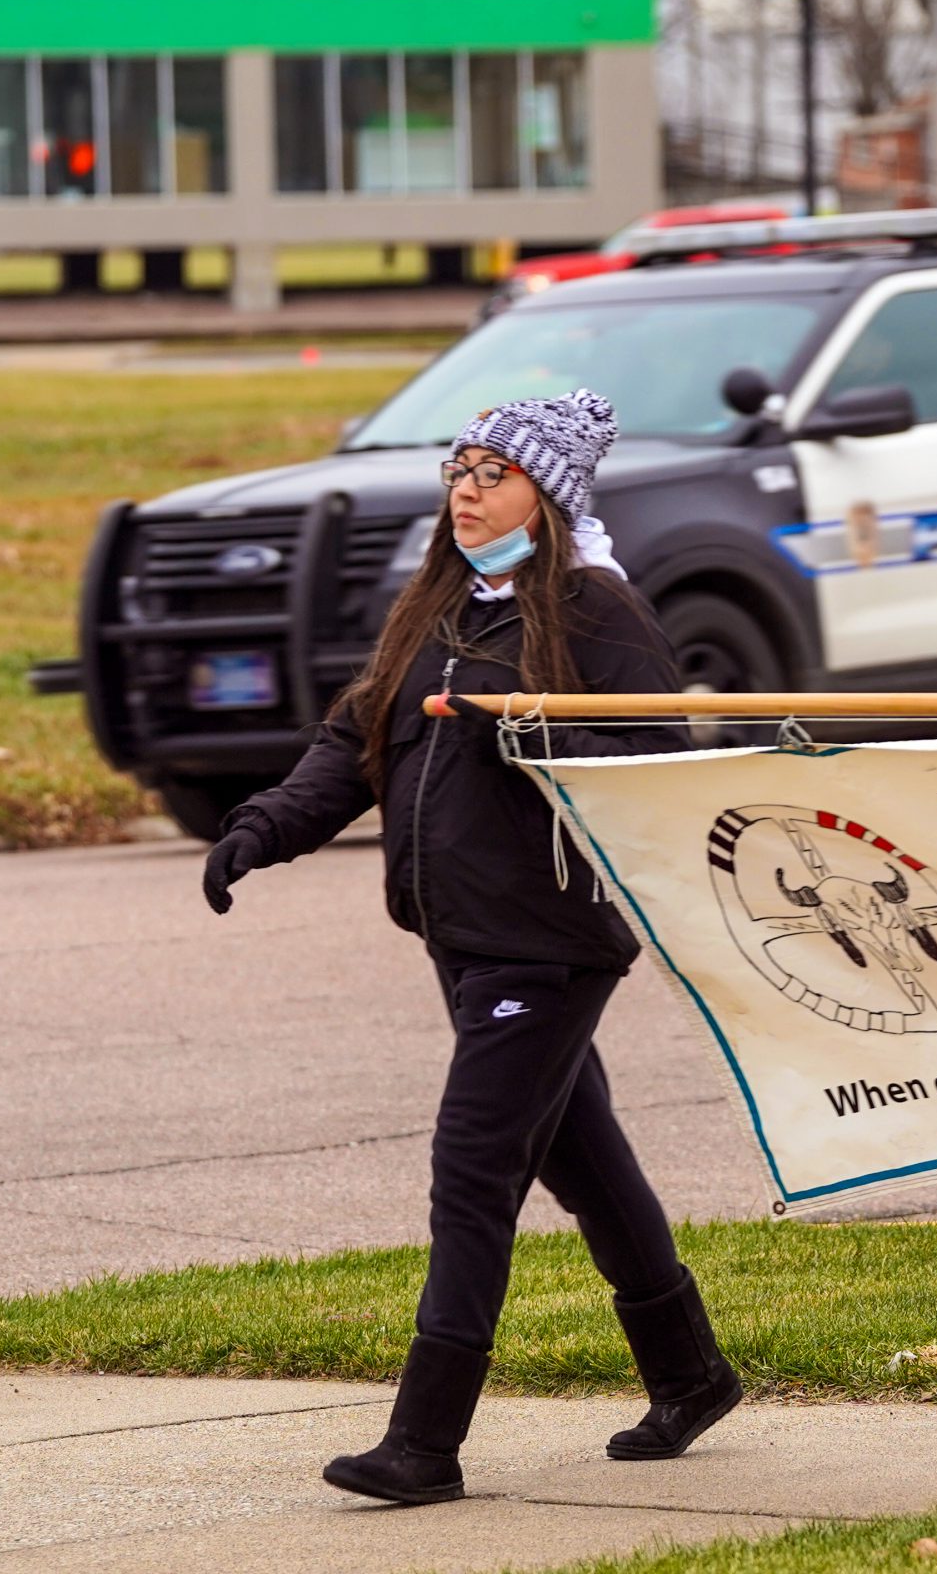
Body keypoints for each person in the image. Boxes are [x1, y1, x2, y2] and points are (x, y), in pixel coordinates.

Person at [201, 390, 742, 1505]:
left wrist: (528, 724)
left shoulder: (594, 612)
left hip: (548, 943)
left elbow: (654, 761)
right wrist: (261, 830)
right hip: (462, 940)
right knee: (583, 1159)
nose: (468, 488)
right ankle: (691, 1374)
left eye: (495, 472)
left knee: (472, 1169)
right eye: (461, 467)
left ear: (548, 494)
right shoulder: (439, 608)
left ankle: (425, 1441)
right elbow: (353, 736)